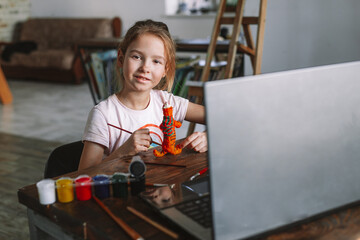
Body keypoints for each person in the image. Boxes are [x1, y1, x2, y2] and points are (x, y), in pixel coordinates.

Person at [79, 19, 207, 170]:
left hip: (162, 187)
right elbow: (84, 176)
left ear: (166, 69)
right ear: (121, 58)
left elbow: (222, 118)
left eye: (156, 61)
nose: (145, 67)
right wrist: (122, 152)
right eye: (137, 57)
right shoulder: (103, 114)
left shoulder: (167, 102)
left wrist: (207, 137)